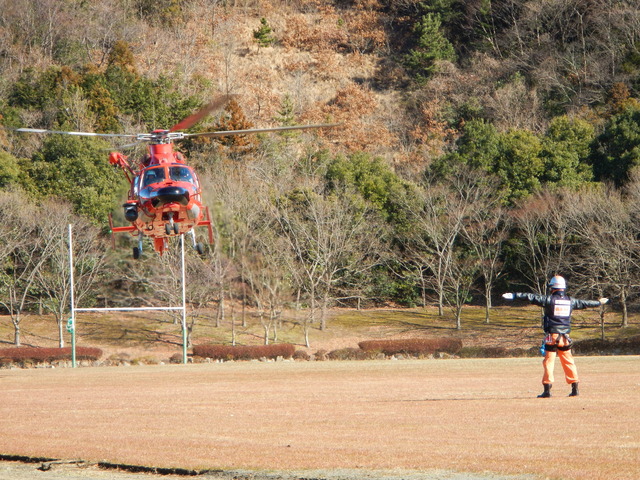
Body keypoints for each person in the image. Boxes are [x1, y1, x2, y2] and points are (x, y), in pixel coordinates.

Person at [502, 275, 609, 398]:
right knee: (568, 361)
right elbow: (585, 303)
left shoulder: (549, 300)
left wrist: (515, 295)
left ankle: (547, 390)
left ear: (552, 288)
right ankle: (575, 388)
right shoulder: (571, 301)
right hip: (565, 337)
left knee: (549, 362)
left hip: (552, 336)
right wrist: (598, 302)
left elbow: (531, 297)